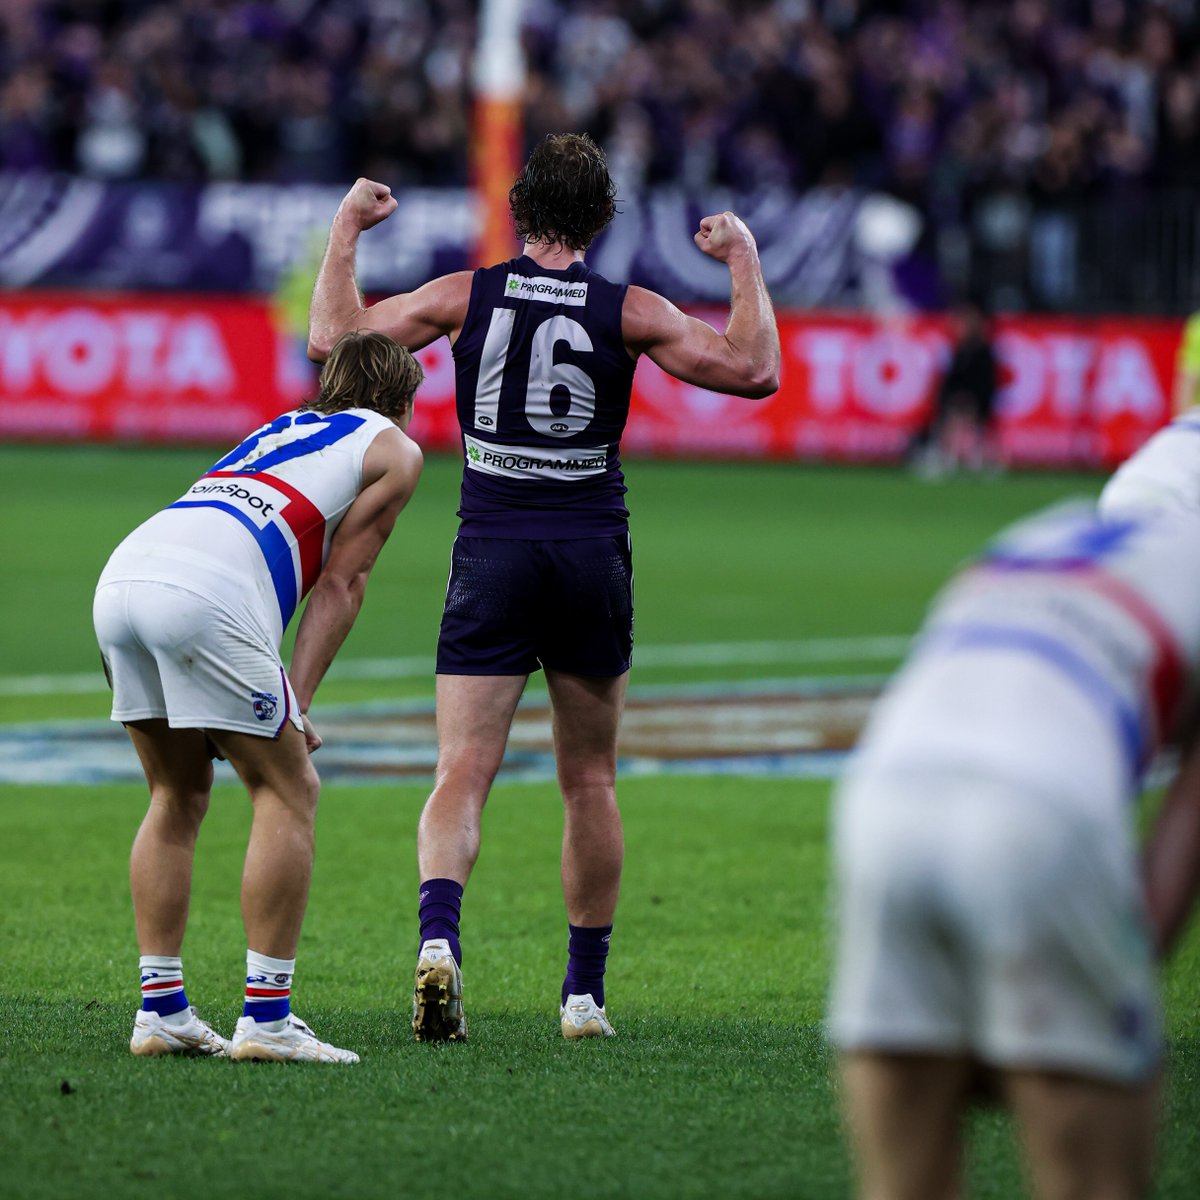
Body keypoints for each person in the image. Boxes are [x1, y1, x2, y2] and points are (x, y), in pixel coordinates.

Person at [308, 132, 780, 1042]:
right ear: (602, 220)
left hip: (491, 549)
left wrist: (344, 232)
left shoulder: (464, 295)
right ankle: (583, 997)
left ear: (521, 214)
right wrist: (745, 261)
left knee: (462, 773)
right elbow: (754, 369)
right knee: (590, 779)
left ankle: (440, 941)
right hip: (590, 553)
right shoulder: (629, 308)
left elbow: (334, 338)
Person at [828, 498, 1200, 1199]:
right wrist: (1107, 993)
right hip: (1043, 805)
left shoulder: (1060, 526)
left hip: (884, 792)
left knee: (901, 1186)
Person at [93, 330, 424, 1063]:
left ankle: (161, 1011)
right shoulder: (395, 449)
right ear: (401, 401)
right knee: (287, 789)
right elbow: (342, 583)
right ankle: (267, 1021)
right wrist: (297, 700)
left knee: (174, 795)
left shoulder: (277, 427)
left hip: (124, 576)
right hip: (203, 595)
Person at [909, 300, 999, 477]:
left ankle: (973, 457)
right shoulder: (957, 350)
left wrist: (968, 400)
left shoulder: (982, 352)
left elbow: (984, 384)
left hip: (975, 402)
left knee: (957, 416)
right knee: (942, 417)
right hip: (956, 402)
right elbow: (949, 382)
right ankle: (942, 455)